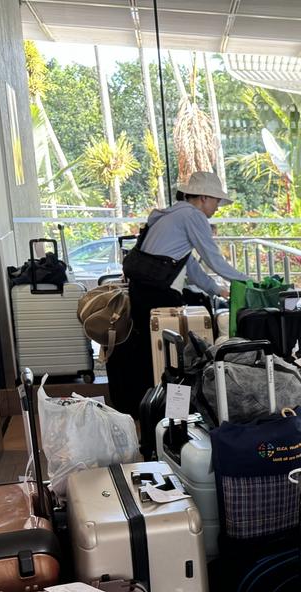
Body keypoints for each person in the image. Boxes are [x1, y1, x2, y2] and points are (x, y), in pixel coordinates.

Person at [106, 171, 249, 414]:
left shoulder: (170, 214)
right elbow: (211, 258)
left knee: (152, 351)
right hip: (160, 293)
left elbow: (188, 265)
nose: (217, 207)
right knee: (174, 355)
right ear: (203, 197)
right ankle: (172, 411)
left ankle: (155, 409)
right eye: (216, 201)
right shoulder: (193, 216)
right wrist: (246, 282)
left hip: (144, 289)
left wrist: (216, 289)